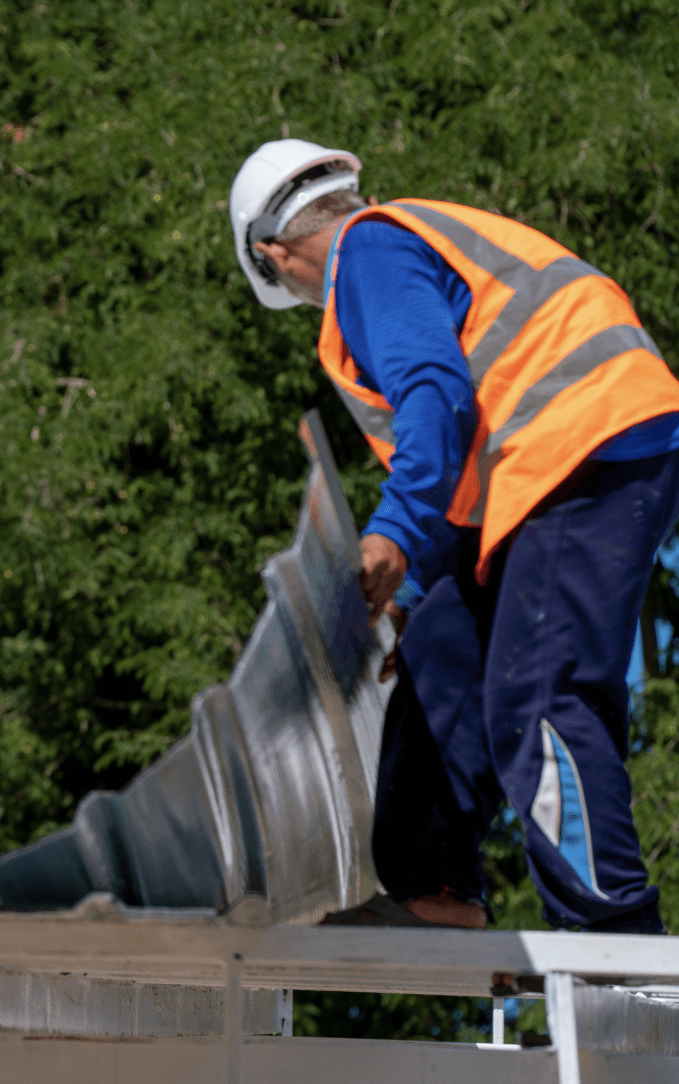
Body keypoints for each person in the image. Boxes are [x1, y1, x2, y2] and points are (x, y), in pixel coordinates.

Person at [228, 139, 679, 933]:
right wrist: (408, 592)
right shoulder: (411, 245)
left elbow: (436, 395)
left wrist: (392, 532)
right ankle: (433, 889)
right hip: (543, 468)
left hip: (582, 446)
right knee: (440, 645)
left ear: (273, 255)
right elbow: (465, 473)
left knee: (539, 697)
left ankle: (616, 951)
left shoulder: (366, 251)